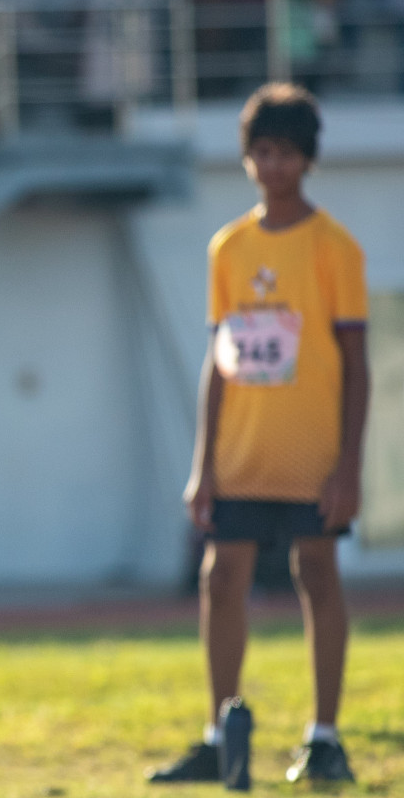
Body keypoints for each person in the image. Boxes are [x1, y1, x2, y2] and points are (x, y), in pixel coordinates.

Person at [149, 84, 369, 788]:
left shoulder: (335, 247)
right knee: (222, 578)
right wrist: (202, 466)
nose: (272, 166)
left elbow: (358, 366)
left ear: (307, 160)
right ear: (247, 159)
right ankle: (220, 735)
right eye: (261, 153)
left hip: (312, 456)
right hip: (241, 453)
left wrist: (348, 468)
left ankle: (325, 737)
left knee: (318, 574)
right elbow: (220, 365)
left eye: (286, 154)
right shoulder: (229, 248)